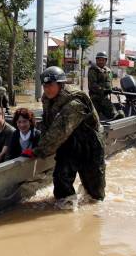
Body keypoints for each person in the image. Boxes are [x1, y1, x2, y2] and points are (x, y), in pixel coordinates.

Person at [26, 66, 106, 206]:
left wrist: (40, 151)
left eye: (50, 85)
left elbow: (59, 130)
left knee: (94, 190)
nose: (47, 89)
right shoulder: (47, 98)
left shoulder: (74, 102)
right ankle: (67, 209)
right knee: (60, 178)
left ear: (61, 84)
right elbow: (47, 123)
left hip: (89, 143)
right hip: (69, 142)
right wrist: (37, 145)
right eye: (44, 86)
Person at [88, 51, 121, 120]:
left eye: (103, 60)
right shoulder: (93, 70)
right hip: (95, 98)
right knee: (93, 117)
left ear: (105, 61)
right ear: (96, 60)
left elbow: (109, 84)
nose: (101, 62)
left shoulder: (108, 70)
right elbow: (93, 85)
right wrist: (104, 90)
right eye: (99, 60)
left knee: (114, 114)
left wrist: (114, 88)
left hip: (105, 97)